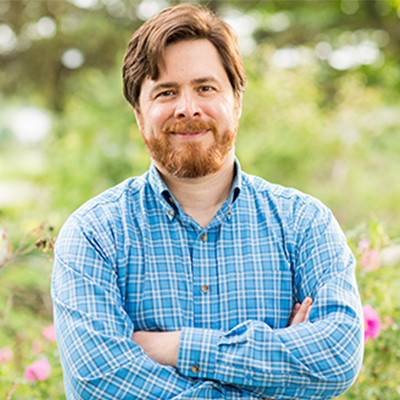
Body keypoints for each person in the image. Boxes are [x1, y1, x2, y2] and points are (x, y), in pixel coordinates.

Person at [51, 4, 364, 399]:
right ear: (138, 114)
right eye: (166, 92)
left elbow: (337, 357)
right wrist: (277, 369)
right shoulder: (95, 234)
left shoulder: (304, 223)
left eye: (205, 88)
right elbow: (99, 382)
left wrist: (176, 347)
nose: (188, 108)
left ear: (236, 102)